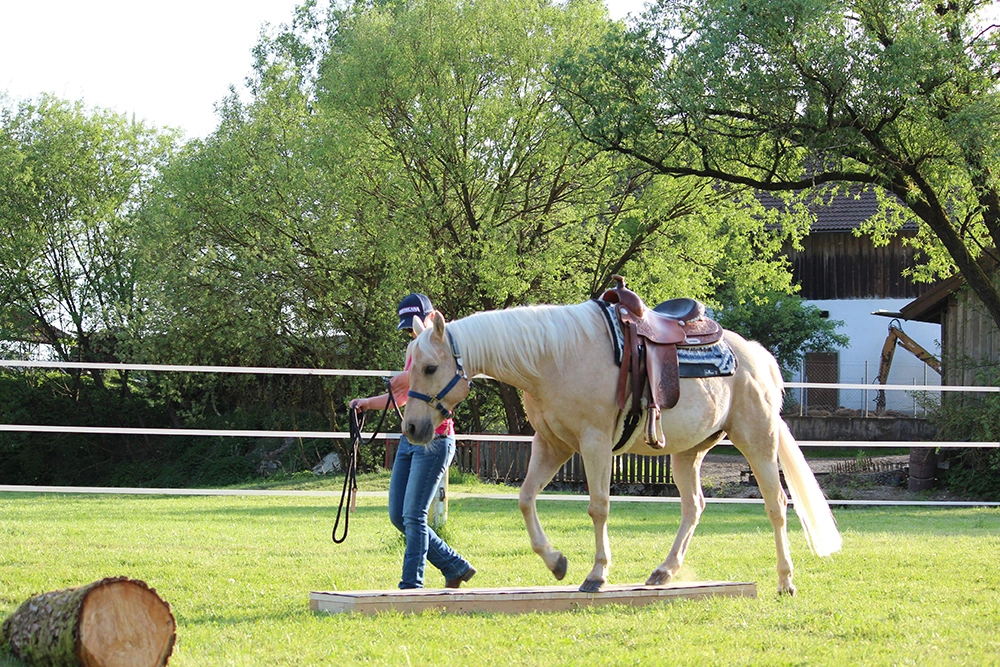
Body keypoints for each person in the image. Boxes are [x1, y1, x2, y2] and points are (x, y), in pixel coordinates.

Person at [349, 293, 476, 590]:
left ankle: (411, 586)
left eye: (414, 324)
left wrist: (404, 378)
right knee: (399, 516)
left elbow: (441, 377)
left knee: (414, 515)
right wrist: (367, 403)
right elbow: (405, 395)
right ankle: (454, 565)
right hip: (409, 439)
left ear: (432, 316)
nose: (411, 332)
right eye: (408, 328)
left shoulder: (446, 346)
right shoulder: (415, 348)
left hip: (436, 438)